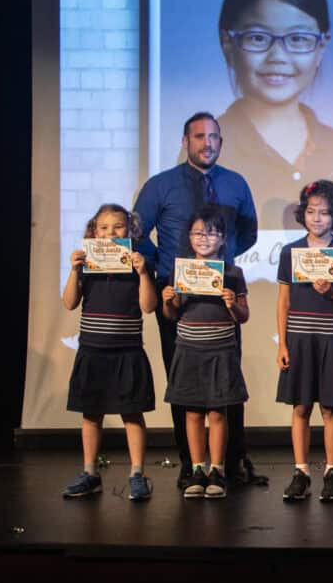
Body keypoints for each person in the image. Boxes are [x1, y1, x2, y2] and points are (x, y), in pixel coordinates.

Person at [134, 111, 264, 490]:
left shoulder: (236, 183)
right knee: (183, 383)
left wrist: (221, 262)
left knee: (227, 381)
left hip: (222, 299)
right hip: (177, 297)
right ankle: (189, 464)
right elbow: (137, 233)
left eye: (213, 137)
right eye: (199, 136)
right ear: (185, 141)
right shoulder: (160, 185)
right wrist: (165, 267)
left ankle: (231, 462)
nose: (207, 143)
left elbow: (249, 232)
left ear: (221, 142)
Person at [216, 0, 333, 229]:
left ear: (322, 46)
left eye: (298, 39)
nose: (278, 56)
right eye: (258, 37)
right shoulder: (209, 147)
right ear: (228, 43)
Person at [61, 204, 157, 500]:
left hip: (127, 351)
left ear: (130, 231)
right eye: (103, 227)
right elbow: (69, 303)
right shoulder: (87, 264)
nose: (110, 233)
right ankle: (90, 473)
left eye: (118, 227)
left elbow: (149, 306)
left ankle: (137, 474)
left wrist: (143, 273)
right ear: (93, 231)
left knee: (132, 413)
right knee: (91, 414)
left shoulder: (137, 262)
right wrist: (74, 270)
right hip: (92, 350)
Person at [275, 180, 333, 502]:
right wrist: (282, 344)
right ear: (303, 213)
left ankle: (331, 471)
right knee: (300, 406)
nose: (317, 218)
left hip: (330, 339)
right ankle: (301, 471)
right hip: (298, 340)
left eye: (324, 213)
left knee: (329, 407)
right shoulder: (290, 252)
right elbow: (283, 302)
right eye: (311, 211)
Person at [162, 207, 251, 500]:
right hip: (189, 349)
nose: (204, 238)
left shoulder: (232, 273)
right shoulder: (181, 271)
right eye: (198, 232)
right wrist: (168, 300)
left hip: (221, 351)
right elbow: (171, 315)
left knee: (217, 412)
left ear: (222, 238)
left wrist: (232, 303)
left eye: (212, 233)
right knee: (192, 412)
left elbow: (243, 316)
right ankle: (197, 469)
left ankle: (218, 470)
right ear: (189, 237)